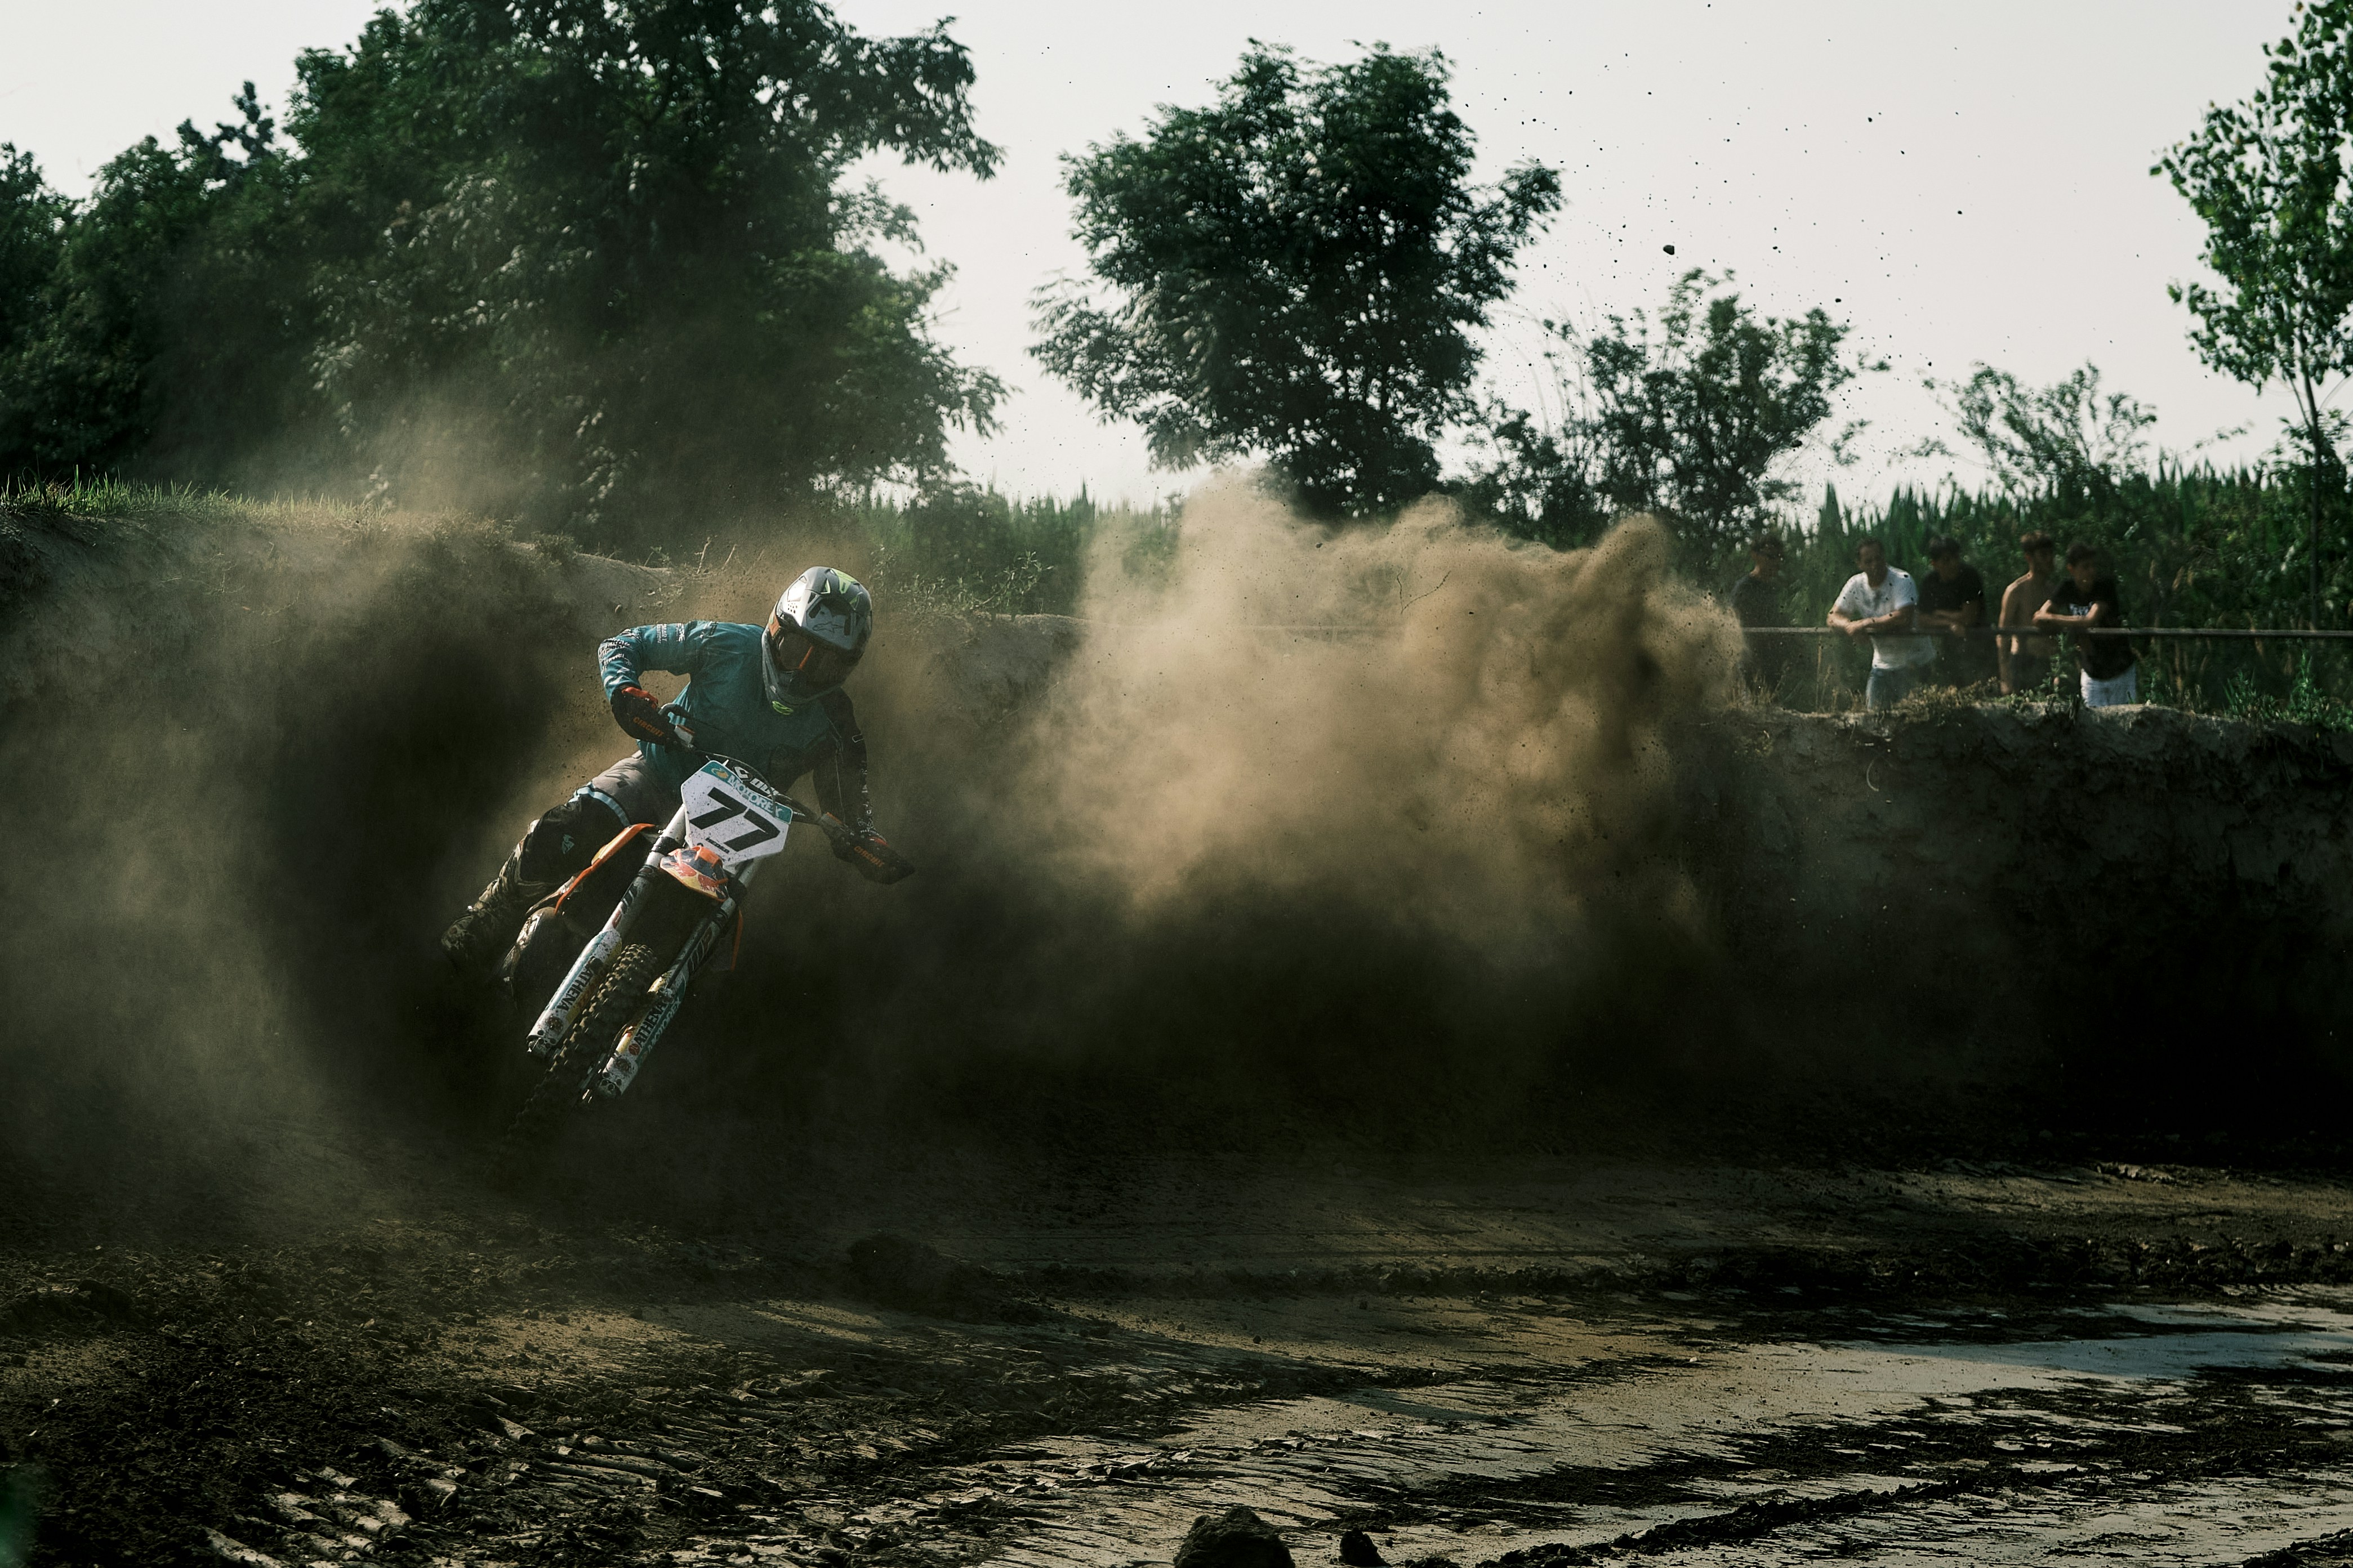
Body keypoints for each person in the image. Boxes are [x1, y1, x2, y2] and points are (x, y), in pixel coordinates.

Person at [442, 566, 902, 976]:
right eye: (798, 647)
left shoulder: (837, 720)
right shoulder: (724, 642)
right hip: (658, 776)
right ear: (777, 627)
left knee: (712, 950)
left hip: (733, 832)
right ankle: (488, 915)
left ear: (845, 668)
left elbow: (847, 797)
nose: (802, 671)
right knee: (569, 827)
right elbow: (624, 643)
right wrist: (626, 693)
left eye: (821, 662)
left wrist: (862, 837)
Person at [1826, 537, 1936, 710]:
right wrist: (1850, 627)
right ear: (1860, 564)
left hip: (1914, 662)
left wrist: (1865, 624)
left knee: (1915, 719)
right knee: (1873, 718)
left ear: (1885, 557)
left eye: (1878, 558)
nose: (1875, 564)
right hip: (1882, 663)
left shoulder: (1902, 579)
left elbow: (1904, 616)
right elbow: (1833, 616)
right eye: (1868, 561)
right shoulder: (1856, 584)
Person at [2033, 543, 2138, 707]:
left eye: (2093, 566)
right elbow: (2040, 616)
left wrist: (2053, 618)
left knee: (2123, 724)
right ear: (2072, 569)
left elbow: (2090, 620)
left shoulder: (2104, 586)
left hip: (2119, 670)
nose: (2092, 571)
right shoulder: (2067, 587)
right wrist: (2051, 617)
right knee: (2094, 725)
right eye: (2085, 567)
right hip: (2092, 671)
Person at [1915, 535, 1990, 686]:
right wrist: (1950, 624)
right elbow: (1921, 619)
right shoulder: (1930, 581)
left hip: (1976, 644)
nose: (1954, 564)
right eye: (1947, 560)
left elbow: (1969, 617)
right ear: (1935, 564)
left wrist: (1940, 614)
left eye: (1956, 558)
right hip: (1946, 649)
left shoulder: (1969, 576)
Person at [1726, 531, 1791, 698]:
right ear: (1755, 556)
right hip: (1749, 660)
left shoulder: (1772, 588)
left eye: (1779, 557)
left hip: (1770, 661)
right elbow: (1733, 622)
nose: (1775, 563)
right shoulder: (1744, 588)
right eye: (1770, 557)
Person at [1997, 531, 2060, 696]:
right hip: (2023, 663)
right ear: (2029, 557)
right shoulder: (2016, 591)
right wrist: (2005, 678)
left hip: (2047, 666)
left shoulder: (2054, 591)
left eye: (2051, 554)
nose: (2049, 559)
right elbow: (2002, 635)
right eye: (2043, 555)